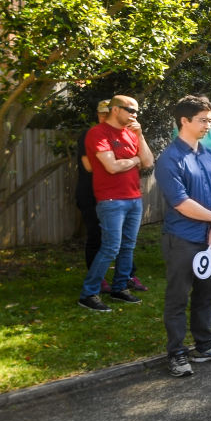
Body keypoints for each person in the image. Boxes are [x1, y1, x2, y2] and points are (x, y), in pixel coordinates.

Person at [155, 95, 211, 377]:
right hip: (182, 239)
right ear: (184, 121)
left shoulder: (209, 155)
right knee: (178, 297)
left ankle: (205, 344)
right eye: (203, 120)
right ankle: (177, 353)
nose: (209, 125)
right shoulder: (169, 159)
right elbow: (180, 202)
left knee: (208, 292)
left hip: (210, 240)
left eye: (210, 120)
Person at [77, 95, 154, 312]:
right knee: (111, 247)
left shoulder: (131, 133)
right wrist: (135, 160)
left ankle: (119, 287)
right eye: (130, 110)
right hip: (111, 199)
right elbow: (111, 166)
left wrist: (140, 135)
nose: (135, 114)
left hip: (134, 198)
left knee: (128, 246)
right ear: (115, 110)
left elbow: (148, 161)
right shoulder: (97, 133)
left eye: (137, 111)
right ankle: (88, 293)